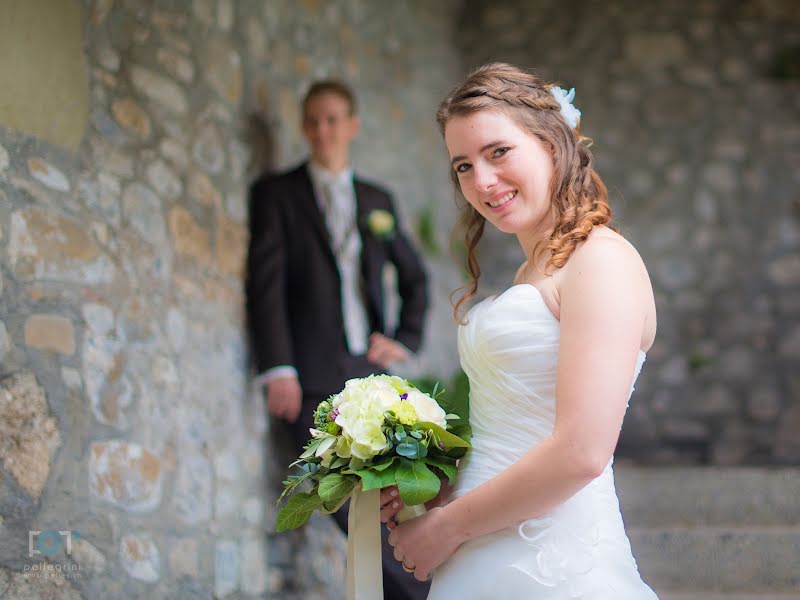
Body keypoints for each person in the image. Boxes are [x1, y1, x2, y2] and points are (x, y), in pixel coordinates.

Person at [380, 62, 660, 598]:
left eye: (498, 152)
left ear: (552, 142)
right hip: (482, 546)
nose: (481, 181)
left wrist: (448, 526)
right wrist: (441, 486)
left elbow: (581, 451)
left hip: (553, 564)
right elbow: (515, 429)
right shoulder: (532, 273)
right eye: (462, 166)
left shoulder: (601, 261)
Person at [246, 80, 430, 600]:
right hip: (308, 376)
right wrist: (278, 367)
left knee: (393, 497)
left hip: (369, 375)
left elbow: (414, 279)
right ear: (304, 128)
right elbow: (266, 284)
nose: (323, 130)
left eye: (333, 119)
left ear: (352, 125)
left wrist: (403, 339)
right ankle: (424, 592)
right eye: (313, 120)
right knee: (349, 502)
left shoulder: (377, 200)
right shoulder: (276, 195)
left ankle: (420, 587)